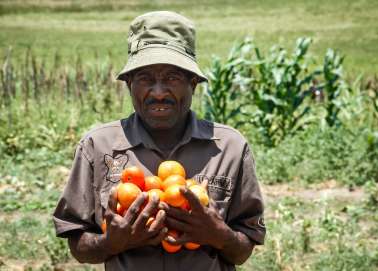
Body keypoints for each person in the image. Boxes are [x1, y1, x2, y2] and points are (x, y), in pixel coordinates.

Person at [53, 11, 265, 271]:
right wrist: (111, 243)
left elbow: (243, 250)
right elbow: (78, 246)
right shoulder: (98, 147)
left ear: (194, 83)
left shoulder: (229, 148)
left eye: (172, 78)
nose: (159, 92)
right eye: (145, 79)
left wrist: (219, 235)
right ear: (129, 83)